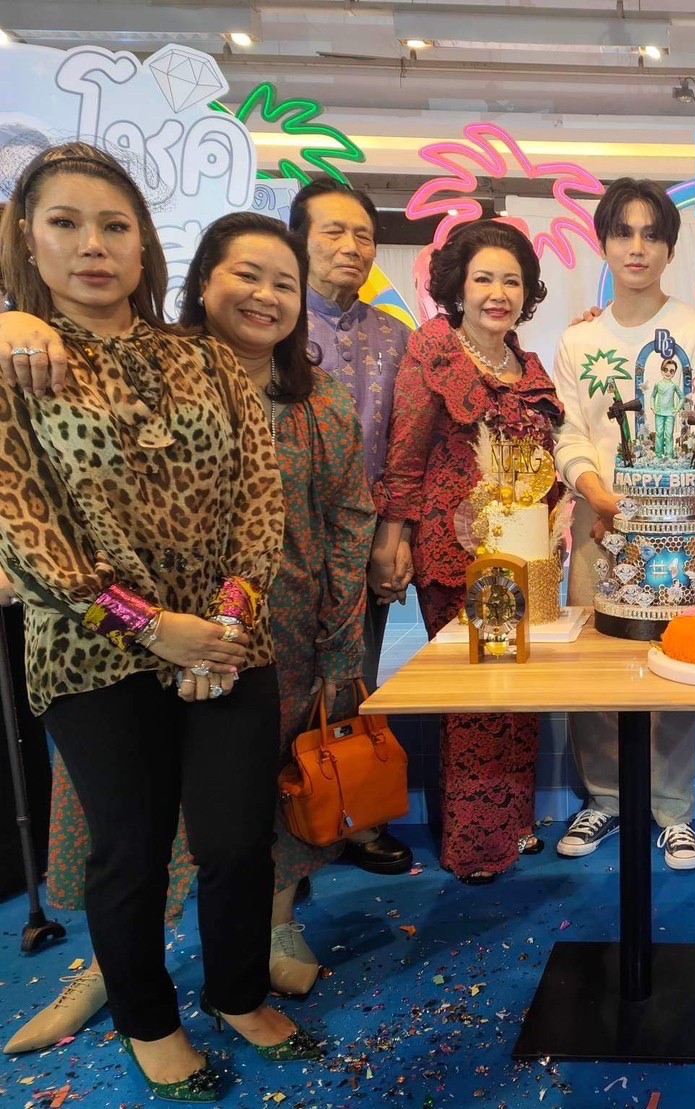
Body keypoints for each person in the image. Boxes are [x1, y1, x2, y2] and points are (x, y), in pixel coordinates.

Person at [4, 211, 376, 1051]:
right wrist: (12, 318)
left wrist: (269, 630)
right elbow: (46, 518)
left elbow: (332, 518)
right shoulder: (101, 361)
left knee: (244, 823)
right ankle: (113, 974)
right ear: (200, 280)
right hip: (109, 643)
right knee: (127, 834)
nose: (265, 296)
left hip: (262, 634)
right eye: (246, 274)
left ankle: (259, 949)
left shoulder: (314, 399)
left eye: (284, 283)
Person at [549, 178, 695, 871]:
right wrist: (598, 497)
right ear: (603, 242)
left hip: (676, 532)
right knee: (593, 669)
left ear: (669, 249)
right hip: (596, 528)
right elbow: (568, 431)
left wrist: (646, 510)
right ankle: (603, 797)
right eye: (623, 232)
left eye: (651, 234)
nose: (636, 247)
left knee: (674, 667)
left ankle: (672, 809)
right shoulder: (579, 339)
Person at [378, 219, 564, 883]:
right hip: (457, 556)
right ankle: (476, 846)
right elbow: (404, 457)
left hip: (526, 557)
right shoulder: (434, 354)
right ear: (457, 286)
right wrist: (394, 536)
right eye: (484, 278)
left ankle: (514, 822)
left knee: (517, 692)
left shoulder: (525, 365)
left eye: (512, 281)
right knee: (476, 700)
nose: (498, 293)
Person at [289, 178, 414, 877]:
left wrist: (395, 536)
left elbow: (407, 448)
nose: (351, 247)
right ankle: (287, 842)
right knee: (278, 692)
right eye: (333, 231)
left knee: (355, 679)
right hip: (279, 546)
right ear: (299, 240)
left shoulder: (396, 337)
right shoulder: (272, 327)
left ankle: (356, 818)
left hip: (365, 546)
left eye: (363, 235)